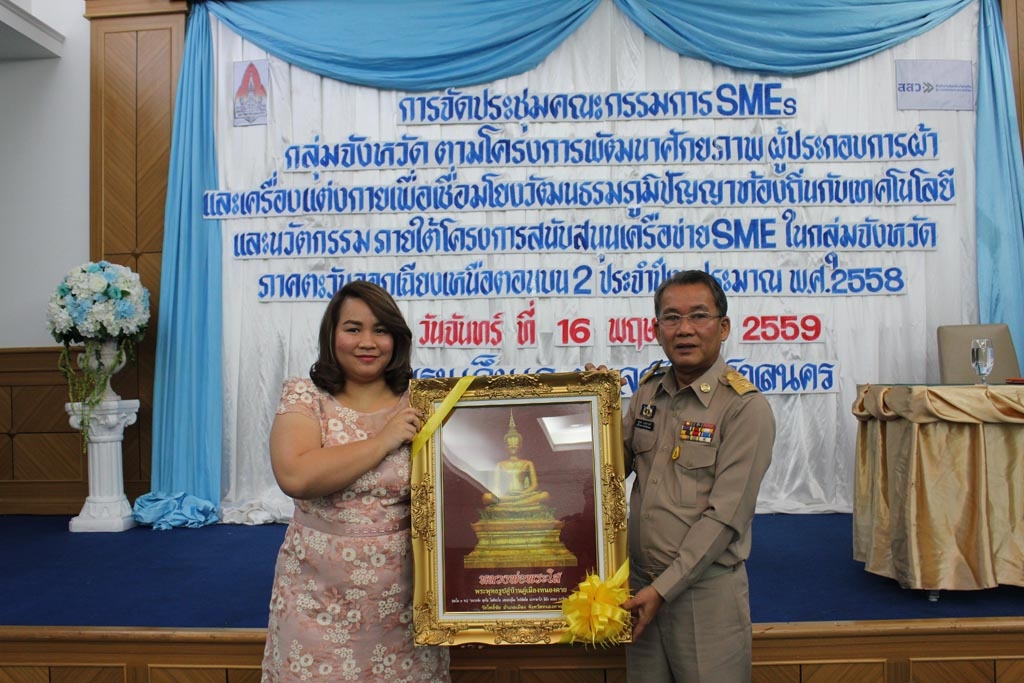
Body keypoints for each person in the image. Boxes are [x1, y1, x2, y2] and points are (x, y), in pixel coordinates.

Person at [261, 280, 450, 682]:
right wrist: (383, 440)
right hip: (316, 602)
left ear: (396, 339)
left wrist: (584, 393)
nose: (368, 342)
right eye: (353, 328)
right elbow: (296, 475)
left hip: (405, 604)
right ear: (332, 335)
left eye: (380, 330)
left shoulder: (424, 401)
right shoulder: (305, 396)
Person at [601, 269, 775, 682]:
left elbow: (725, 518)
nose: (684, 330)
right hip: (639, 589)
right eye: (672, 318)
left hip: (704, 596)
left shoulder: (744, 409)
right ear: (656, 329)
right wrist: (591, 404)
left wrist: (662, 590)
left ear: (723, 327)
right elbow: (608, 472)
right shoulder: (648, 393)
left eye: (699, 316)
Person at [480, 413, 551, 508]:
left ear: (520, 446)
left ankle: (512, 504)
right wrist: (501, 495)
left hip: (523, 494)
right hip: (506, 495)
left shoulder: (527, 463)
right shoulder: (500, 465)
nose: (513, 446)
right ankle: (518, 503)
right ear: (506, 446)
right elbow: (496, 487)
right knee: (486, 497)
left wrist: (522, 494)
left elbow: (534, 485)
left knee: (545, 495)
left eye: (515, 444)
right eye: (510, 444)